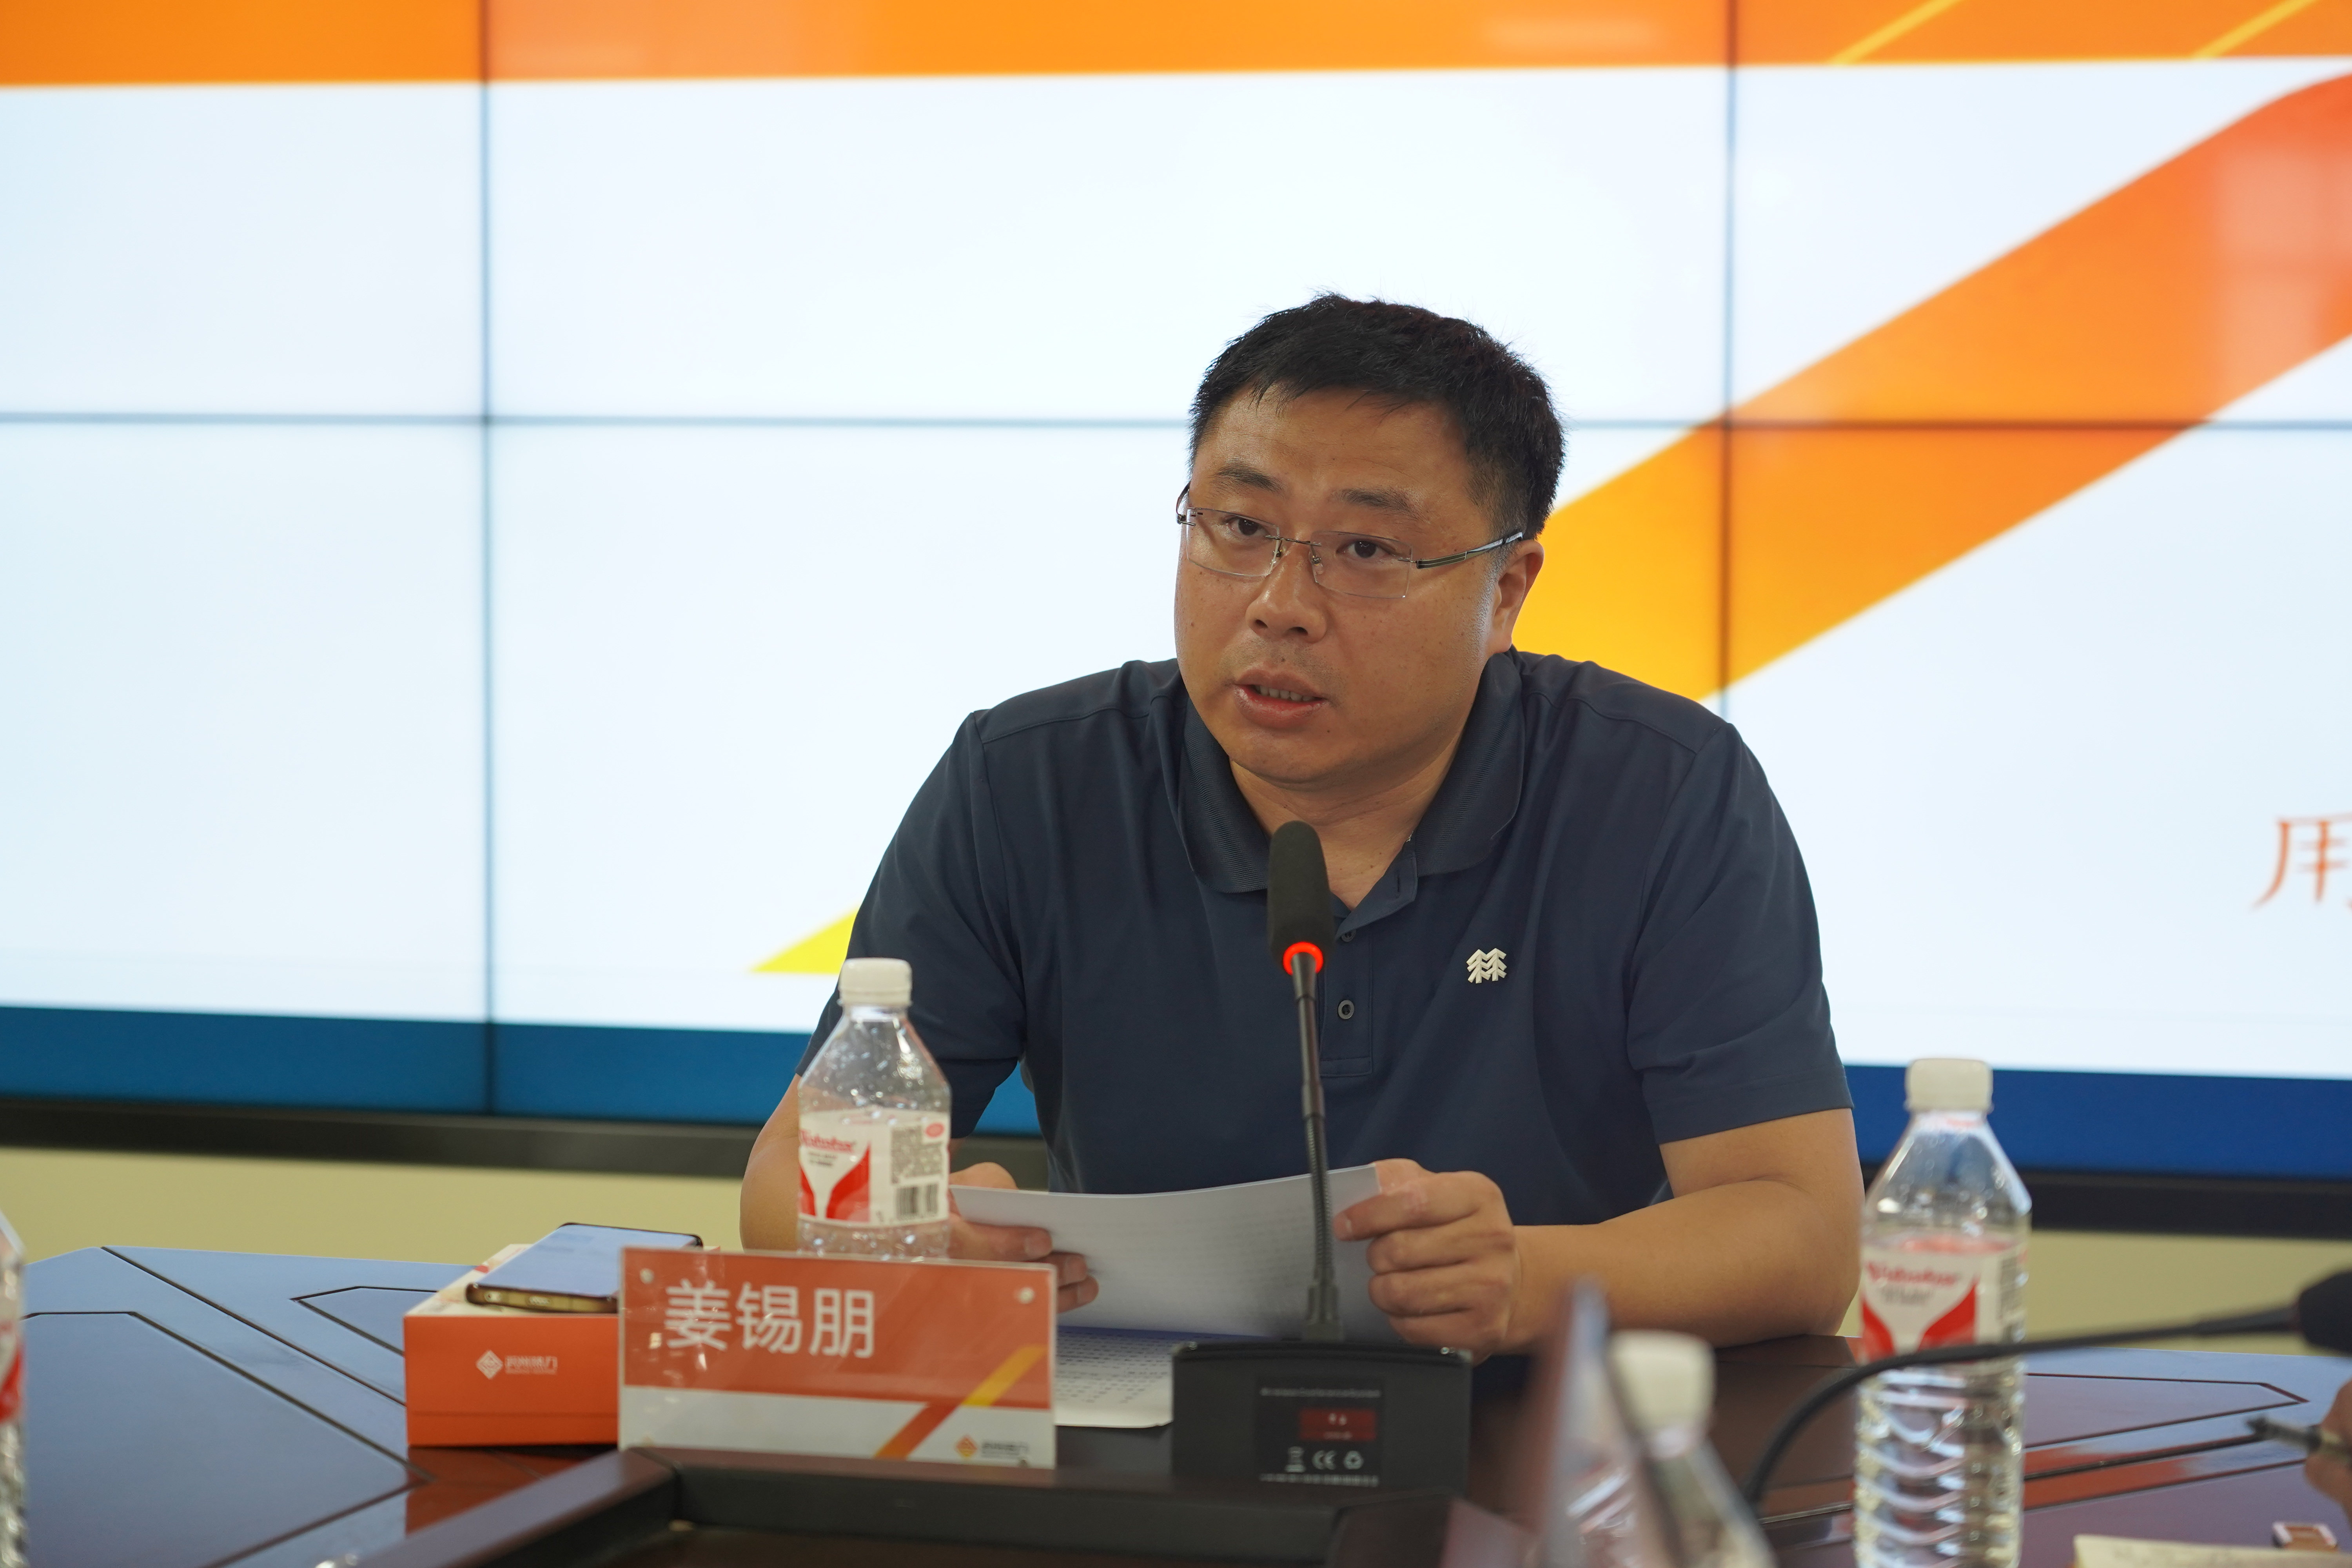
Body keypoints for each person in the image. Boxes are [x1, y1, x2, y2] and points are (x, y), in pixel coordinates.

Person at [742, 295, 1862, 1356]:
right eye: (1239, 526)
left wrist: (1525, 1278)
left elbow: (1802, 1232)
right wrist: (913, 1243)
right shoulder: (1027, 781)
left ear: (1508, 592)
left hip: (1532, 1421)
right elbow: (787, 1185)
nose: (1280, 603)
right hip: (1142, 1423)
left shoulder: (1660, 789)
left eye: (1364, 551)